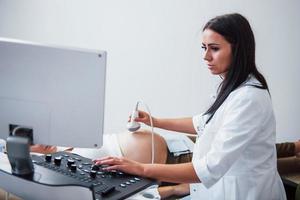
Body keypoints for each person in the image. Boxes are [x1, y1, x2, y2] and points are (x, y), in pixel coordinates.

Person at [94, 13, 287, 200]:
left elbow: (210, 168)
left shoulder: (249, 98)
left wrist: (140, 168)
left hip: (244, 192)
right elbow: (203, 122)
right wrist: (154, 121)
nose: (206, 56)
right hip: (216, 189)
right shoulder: (231, 86)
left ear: (238, 49)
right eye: (204, 48)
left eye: (214, 48)